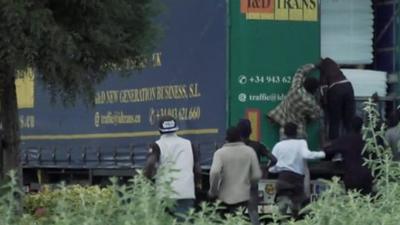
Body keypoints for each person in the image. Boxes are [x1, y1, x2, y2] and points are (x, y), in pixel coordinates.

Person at [143, 116, 201, 220]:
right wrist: (197, 186)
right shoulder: (189, 144)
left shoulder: (157, 145)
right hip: (186, 191)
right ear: (176, 128)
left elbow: (150, 165)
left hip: (166, 192)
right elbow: (197, 168)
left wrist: (146, 183)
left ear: (159, 130)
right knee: (184, 221)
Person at [269, 122, 325, 218]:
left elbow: (271, 165)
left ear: (284, 133)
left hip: (283, 179)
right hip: (297, 181)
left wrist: (276, 169)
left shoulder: (278, 145)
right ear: (296, 133)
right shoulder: (301, 143)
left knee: (281, 210)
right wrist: (323, 154)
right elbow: (307, 155)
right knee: (299, 210)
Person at [208, 127, 262, 218]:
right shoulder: (249, 151)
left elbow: (215, 172)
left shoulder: (220, 153)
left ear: (226, 138)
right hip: (244, 196)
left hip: (224, 197)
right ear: (240, 137)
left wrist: (213, 191)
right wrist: (249, 185)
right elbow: (256, 175)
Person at [236, 119, 277, 225]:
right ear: (250, 131)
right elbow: (274, 159)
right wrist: (265, 169)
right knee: (253, 211)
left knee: (237, 211)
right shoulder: (258, 145)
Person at [267, 63, 321, 139]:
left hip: (284, 130)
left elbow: (300, 71)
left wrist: (315, 66)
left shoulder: (296, 88)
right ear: (313, 91)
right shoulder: (310, 103)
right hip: (299, 132)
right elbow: (317, 115)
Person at [324, 116, 373, 195]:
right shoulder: (366, 140)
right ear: (362, 127)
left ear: (350, 126)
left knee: (352, 201)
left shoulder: (344, 139)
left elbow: (328, 151)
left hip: (352, 176)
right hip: (366, 176)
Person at [320, 57, 355, 140]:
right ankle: (350, 143)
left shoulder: (324, 69)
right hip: (348, 86)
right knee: (349, 121)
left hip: (336, 89)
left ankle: (334, 144)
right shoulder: (336, 68)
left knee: (335, 121)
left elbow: (324, 88)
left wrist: (325, 102)